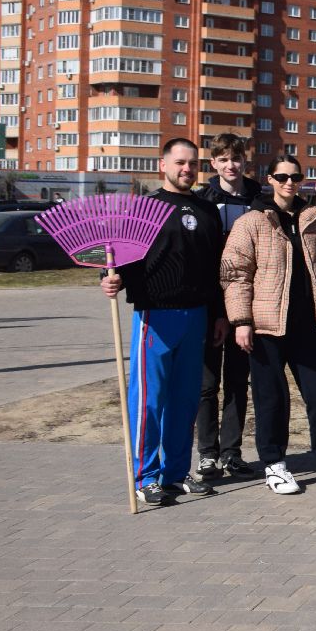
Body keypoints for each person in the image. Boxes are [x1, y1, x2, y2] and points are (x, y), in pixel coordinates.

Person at [99, 138, 226, 507]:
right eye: (180, 162)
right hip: (155, 316)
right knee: (150, 400)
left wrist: (219, 313)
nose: (187, 169)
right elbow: (120, 261)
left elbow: (214, 268)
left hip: (197, 315)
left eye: (193, 163)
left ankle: (175, 473)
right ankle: (145, 476)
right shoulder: (144, 208)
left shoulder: (207, 210)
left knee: (184, 401)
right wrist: (109, 279)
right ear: (163, 164)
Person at [219, 155, 316, 496]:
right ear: (270, 179)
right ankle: (275, 464)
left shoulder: (313, 219)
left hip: (306, 324)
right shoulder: (252, 222)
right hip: (265, 326)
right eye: (282, 177)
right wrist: (241, 321)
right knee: (271, 398)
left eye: (295, 177)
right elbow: (235, 274)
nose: (289, 183)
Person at [193, 132, 264, 480]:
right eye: (223, 160)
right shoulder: (202, 200)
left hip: (247, 303)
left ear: (245, 161)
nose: (230, 165)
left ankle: (232, 453)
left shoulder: (259, 199)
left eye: (236, 158)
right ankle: (208, 454)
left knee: (238, 380)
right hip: (209, 303)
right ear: (213, 163)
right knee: (207, 384)